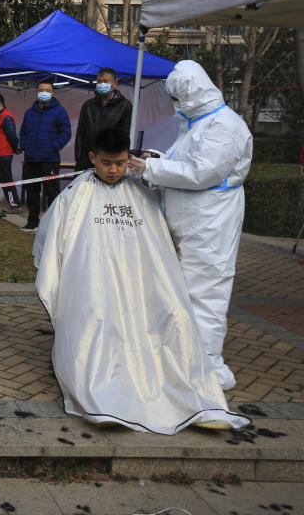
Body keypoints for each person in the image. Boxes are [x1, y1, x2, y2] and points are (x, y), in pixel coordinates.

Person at [33, 127, 249, 434]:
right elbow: (52, 243)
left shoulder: (142, 195)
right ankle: (100, 396)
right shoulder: (75, 196)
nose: (113, 170)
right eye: (107, 162)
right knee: (96, 316)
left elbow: (159, 244)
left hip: (141, 282)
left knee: (174, 316)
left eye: (121, 163)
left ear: (129, 159)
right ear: (93, 158)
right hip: (94, 282)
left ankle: (195, 398)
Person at [128, 60, 253, 391]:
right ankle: (183, 359)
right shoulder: (199, 125)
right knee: (182, 292)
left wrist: (152, 169)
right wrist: (155, 162)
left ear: (191, 94)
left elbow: (203, 173)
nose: (175, 105)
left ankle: (208, 369)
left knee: (206, 294)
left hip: (210, 225)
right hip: (191, 222)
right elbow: (181, 162)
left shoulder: (225, 126)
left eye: (177, 98)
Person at [18, 80, 71, 231]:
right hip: (31, 159)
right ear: (37, 91)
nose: (44, 92)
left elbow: (66, 132)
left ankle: (54, 225)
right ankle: (32, 222)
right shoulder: (30, 112)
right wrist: (25, 146)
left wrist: (53, 147)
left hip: (50, 160)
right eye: (41, 89)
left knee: (51, 193)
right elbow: (23, 132)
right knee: (32, 192)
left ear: (53, 92)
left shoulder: (60, 111)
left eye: (47, 90)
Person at [73, 67, 133, 172]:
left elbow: (125, 135)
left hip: (110, 158)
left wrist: (122, 160)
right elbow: (80, 133)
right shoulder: (88, 105)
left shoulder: (124, 106)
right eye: (99, 81)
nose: (101, 84)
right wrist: (78, 158)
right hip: (88, 157)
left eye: (105, 81)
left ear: (115, 83)